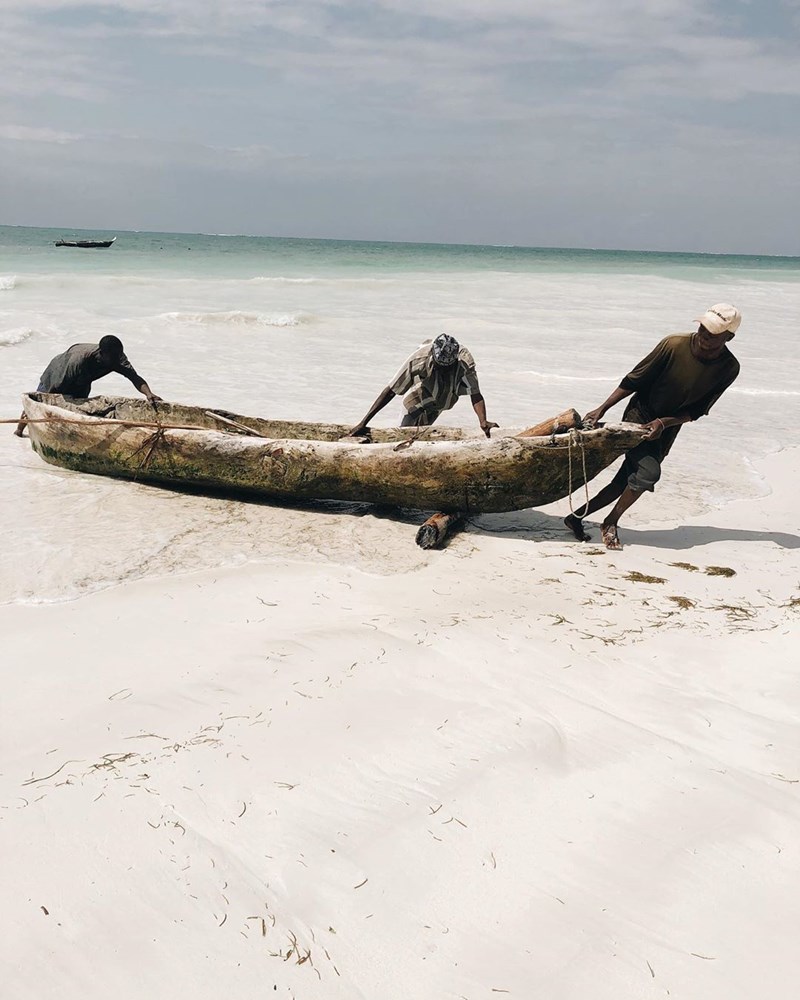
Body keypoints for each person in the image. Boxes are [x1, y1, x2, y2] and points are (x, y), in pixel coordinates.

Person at [564, 303, 742, 550]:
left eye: (712, 334)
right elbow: (634, 379)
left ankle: (575, 518)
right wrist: (602, 408)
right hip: (640, 414)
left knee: (627, 480)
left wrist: (664, 423)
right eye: (703, 328)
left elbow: (698, 410)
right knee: (648, 473)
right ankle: (610, 522)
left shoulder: (729, 368)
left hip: (668, 427)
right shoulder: (673, 345)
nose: (704, 336)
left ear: (729, 337)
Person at [349, 333, 497, 438]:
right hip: (417, 399)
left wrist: (483, 422)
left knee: (420, 438)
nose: (443, 370)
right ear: (433, 356)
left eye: (447, 367)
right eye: (440, 366)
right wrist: (363, 422)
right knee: (403, 435)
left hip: (440, 404)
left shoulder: (464, 362)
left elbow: (475, 394)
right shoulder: (419, 359)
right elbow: (391, 391)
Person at [14, 335, 162, 436]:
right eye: (114, 357)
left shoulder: (117, 358)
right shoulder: (78, 361)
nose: (117, 360)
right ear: (102, 353)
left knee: (80, 406)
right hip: (58, 373)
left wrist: (148, 394)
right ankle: (19, 430)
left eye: (119, 355)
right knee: (46, 401)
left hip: (84, 380)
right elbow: (54, 393)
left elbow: (134, 377)